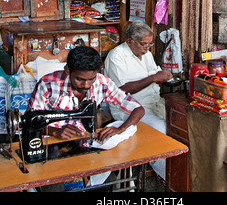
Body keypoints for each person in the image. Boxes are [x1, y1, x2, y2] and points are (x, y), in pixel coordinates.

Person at [26, 45, 144, 191]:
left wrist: (121, 129)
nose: (86, 85)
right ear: (68, 70)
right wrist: (53, 131)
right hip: (52, 145)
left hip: (84, 144)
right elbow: (30, 121)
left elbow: (138, 109)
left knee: (108, 182)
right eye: (80, 79)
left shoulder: (102, 83)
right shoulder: (48, 84)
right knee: (54, 185)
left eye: (91, 79)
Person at [104, 20, 172, 180]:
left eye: (150, 44)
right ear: (129, 41)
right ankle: (167, 180)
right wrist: (153, 78)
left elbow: (154, 73)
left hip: (153, 103)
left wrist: (164, 76)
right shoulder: (117, 57)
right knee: (160, 131)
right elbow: (122, 90)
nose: (147, 48)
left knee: (178, 124)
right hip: (129, 110)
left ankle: (174, 176)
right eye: (143, 44)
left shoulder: (146, 54)